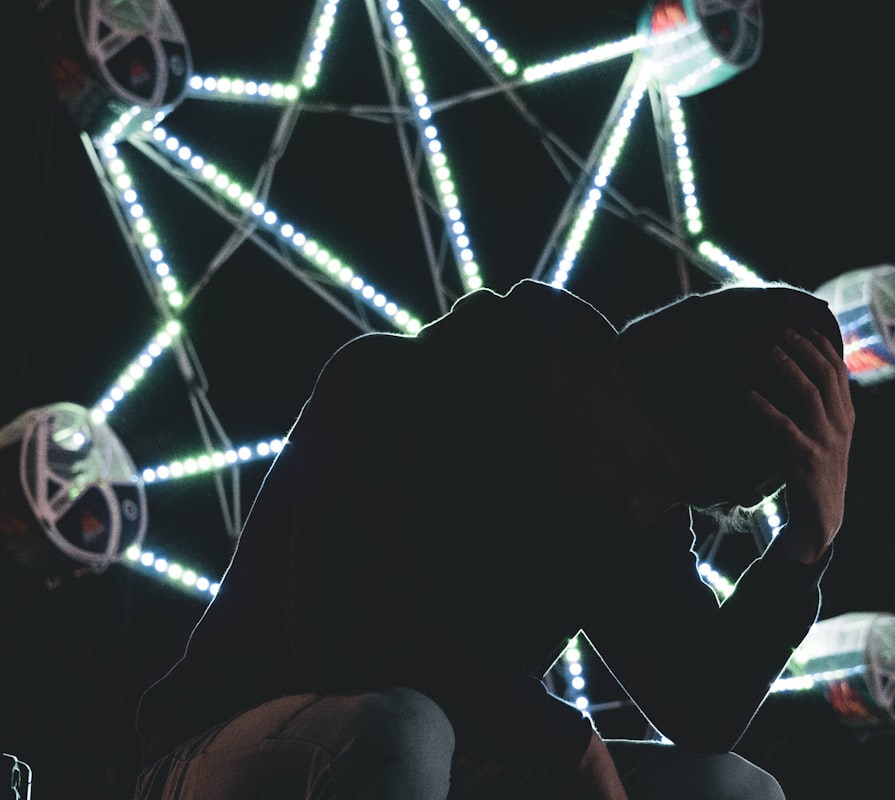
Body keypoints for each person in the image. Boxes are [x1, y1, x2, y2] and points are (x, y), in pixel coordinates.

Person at [132, 277, 855, 800]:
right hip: (222, 755)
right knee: (403, 730)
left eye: (681, 499)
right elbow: (349, 641)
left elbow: (701, 711)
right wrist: (563, 740)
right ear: (612, 376)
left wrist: (806, 545)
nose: (649, 506)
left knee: (733, 791)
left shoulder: (629, 506)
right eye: (658, 468)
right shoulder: (388, 384)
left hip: (452, 773)